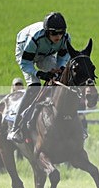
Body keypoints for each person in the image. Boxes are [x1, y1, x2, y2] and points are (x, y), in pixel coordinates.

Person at [7, 12, 73, 142]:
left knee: (59, 80)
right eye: (54, 33)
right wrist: (40, 74)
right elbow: (26, 64)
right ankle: (15, 128)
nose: (58, 37)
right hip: (25, 53)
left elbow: (63, 57)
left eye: (61, 33)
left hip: (46, 54)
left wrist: (60, 68)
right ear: (47, 32)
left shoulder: (65, 38)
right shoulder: (35, 38)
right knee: (35, 87)